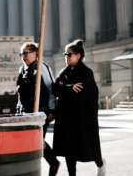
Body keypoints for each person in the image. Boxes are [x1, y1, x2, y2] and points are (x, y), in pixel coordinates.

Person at [53, 39, 106, 176]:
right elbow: (55, 88)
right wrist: (69, 88)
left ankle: (100, 164)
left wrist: (64, 90)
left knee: (90, 148)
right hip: (66, 118)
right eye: (65, 54)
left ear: (78, 55)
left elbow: (82, 93)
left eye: (69, 54)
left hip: (83, 119)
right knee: (68, 151)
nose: (66, 57)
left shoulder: (86, 72)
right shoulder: (64, 72)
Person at [16, 42, 60, 176]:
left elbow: (51, 89)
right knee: (31, 140)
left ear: (35, 53)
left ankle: (53, 162)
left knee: (37, 140)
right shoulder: (22, 70)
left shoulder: (42, 67)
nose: (23, 56)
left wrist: (52, 110)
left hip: (41, 112)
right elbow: (20, 93)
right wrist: (19, 110)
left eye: (26, 53)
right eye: (21, 54)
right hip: (26, 112)